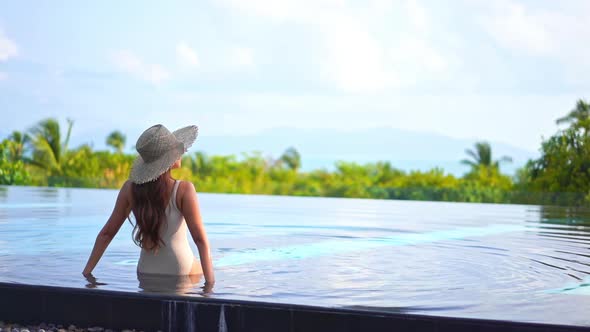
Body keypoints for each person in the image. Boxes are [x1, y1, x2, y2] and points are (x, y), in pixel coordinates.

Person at [82, 124, 215, 289]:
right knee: (206, 264)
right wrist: (210, 287)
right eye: (176, 149)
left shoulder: (129, 189)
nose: (181, 152)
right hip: (180, 271)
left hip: (146, 270)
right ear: (169, 158)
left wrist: (86, 274)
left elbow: (106, 234)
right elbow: (201, 240)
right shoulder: (183, 190)